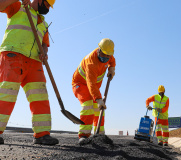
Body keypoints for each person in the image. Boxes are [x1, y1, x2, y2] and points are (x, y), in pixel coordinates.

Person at [0, 0, 59, 145]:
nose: (47, 9)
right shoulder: (18, 7)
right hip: (14, 55)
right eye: (46, 5)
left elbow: (44, 44)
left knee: (40, 96)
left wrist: (44, 53)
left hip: (34, 62)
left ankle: (42, 134)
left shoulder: (43, 24)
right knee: (6, 94)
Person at [72, 38, 116, 144]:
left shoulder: (108, 55)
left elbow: (112, 61)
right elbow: (90, 83)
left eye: (108, 56)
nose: (105, 58)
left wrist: (111, 69)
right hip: (81, 85)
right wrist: (99, 99)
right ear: (99, 50)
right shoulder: (91, 62)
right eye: (104, 54)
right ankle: (84, 135)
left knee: (98, 109)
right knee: (88, 106)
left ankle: (99, 135)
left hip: (93, 88)